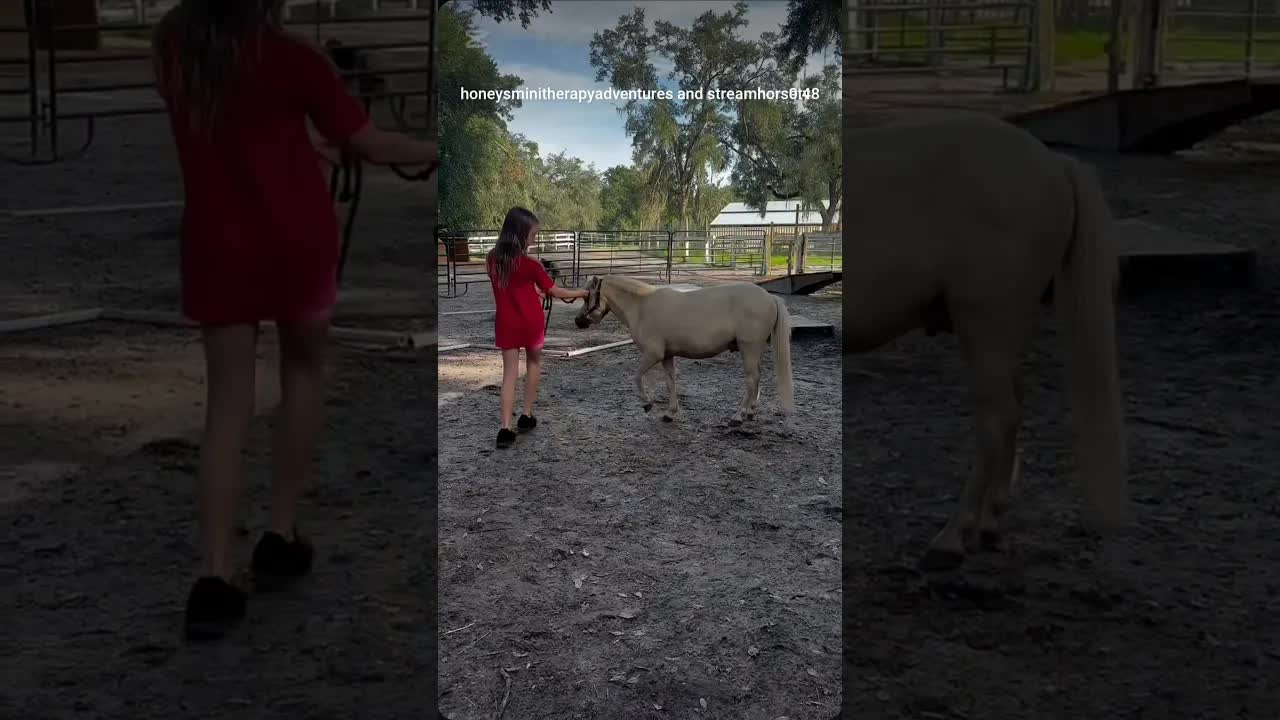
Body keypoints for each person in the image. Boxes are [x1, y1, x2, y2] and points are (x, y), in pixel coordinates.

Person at [150, 0, 438, 642]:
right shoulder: (294, 59)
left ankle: (214, 576)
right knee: (303, 373)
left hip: (216, 245)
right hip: (295, 242)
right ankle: (280, 533)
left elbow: (233, 127)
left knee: (226, 407)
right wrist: (439, 149)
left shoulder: (175, 48)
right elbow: (369, 143)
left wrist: (294, 140)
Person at [486, 208, 588, 449]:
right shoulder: (532, 265)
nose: (535, 239)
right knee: (533, 364)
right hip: (531, 323)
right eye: (533, 234)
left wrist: (531, 290)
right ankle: (526, 415)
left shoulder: (492, 259)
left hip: (506, 323)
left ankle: (504, 428)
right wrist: (583, 293)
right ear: (521, 233)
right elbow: (556, 292)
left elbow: (509, 287)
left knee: (509, 374)